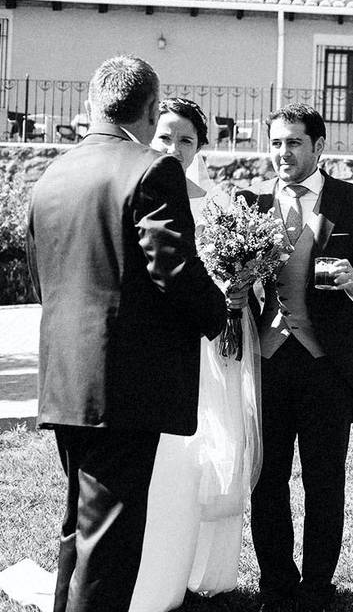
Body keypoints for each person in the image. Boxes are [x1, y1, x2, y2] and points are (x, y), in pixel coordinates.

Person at [26, 56, 226, 612]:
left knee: (81, 526)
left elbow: (40, 270)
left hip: (66, 378)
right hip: (125, 384)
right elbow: (172, 267)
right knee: (110, 540)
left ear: (95, 104)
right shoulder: (152, 169)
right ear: (149, 107)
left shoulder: (53, 174)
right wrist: (218, 315)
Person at [240, 103, 353, 612]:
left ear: (318, 146)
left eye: (294, 143)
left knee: (325, 481)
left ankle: (317, 587)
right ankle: (276, 584)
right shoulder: (250, 205)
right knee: (268, 481)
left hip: (327, 364)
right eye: (277, 142)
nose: (283, 152)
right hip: (267, 361)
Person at [129, 98, 261, 611]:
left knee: (215, 451)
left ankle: (209, 567)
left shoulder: (220, 205)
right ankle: (159, 561)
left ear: (200, 148)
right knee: (172, 456)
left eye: (186, 140)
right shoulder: (142, 193)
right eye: (165, 137)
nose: (174, 148)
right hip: (164, 345)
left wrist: (240, 289)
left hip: (214, 347)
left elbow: (247, 276)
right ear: (150, 136)